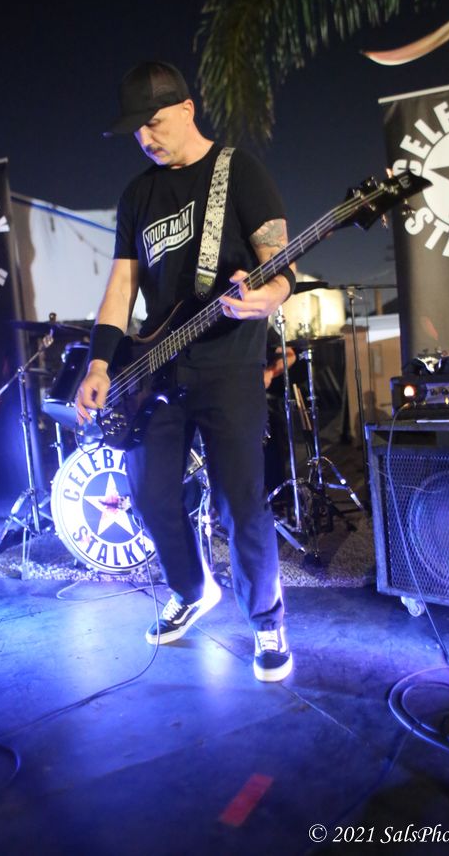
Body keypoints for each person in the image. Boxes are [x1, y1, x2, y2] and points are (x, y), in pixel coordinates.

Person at [76, 61, 296, 683]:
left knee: (240, 504)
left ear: (187, 109)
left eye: (154, 122)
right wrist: (99, 361)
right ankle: (192, 588)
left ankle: (267, 620)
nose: (145, 137)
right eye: (136, 130)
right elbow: (121, 287)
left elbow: (280, 265)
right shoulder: (137, 196)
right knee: (148, 495)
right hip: (156, 371)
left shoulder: (238, 171)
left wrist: (267, 296)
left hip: (229, 364)